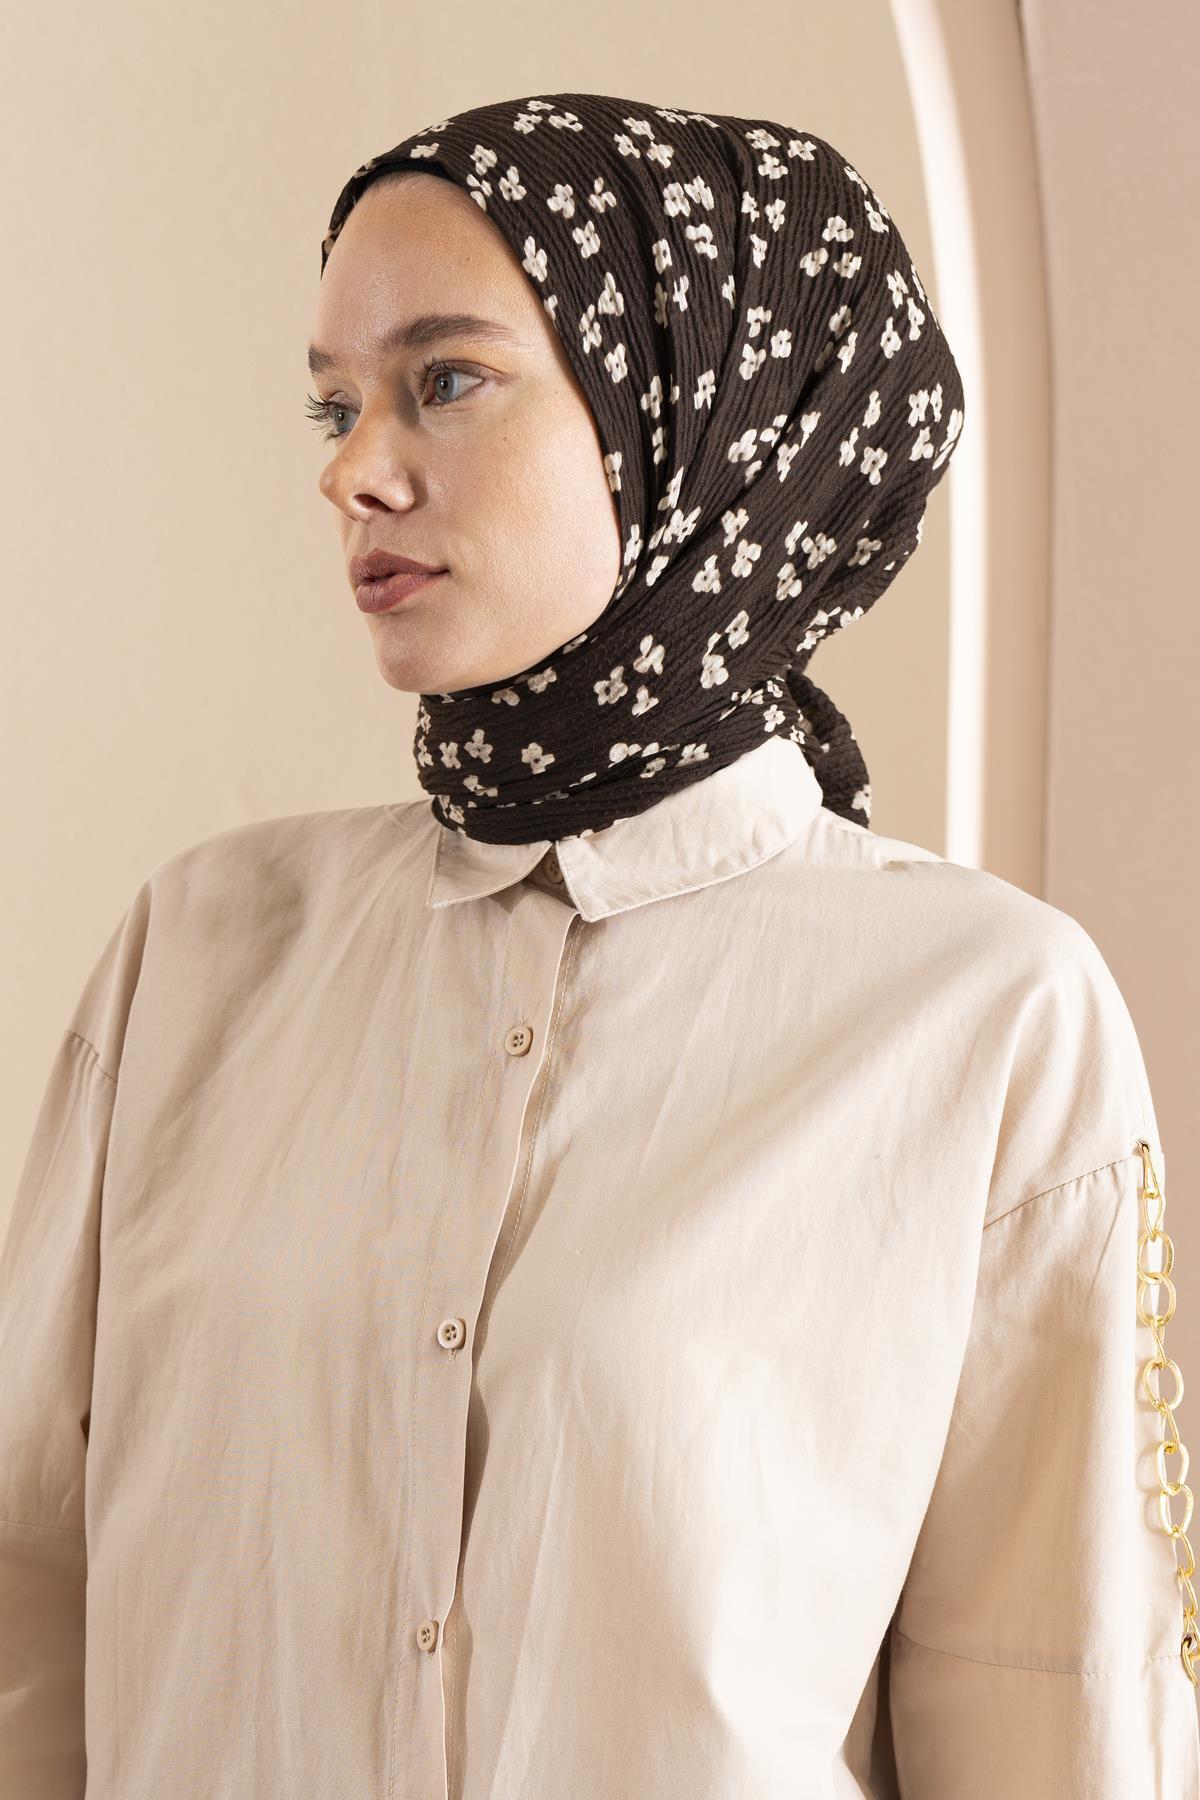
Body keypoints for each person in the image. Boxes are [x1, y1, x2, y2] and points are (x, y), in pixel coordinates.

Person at [1, 89, 1196, 1799]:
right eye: (335, 403)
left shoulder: (982, 1013)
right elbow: (30, 1608)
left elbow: (1056, 1707)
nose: (353, 468)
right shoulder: (196, 955)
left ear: (687, 415)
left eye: (445, 380)